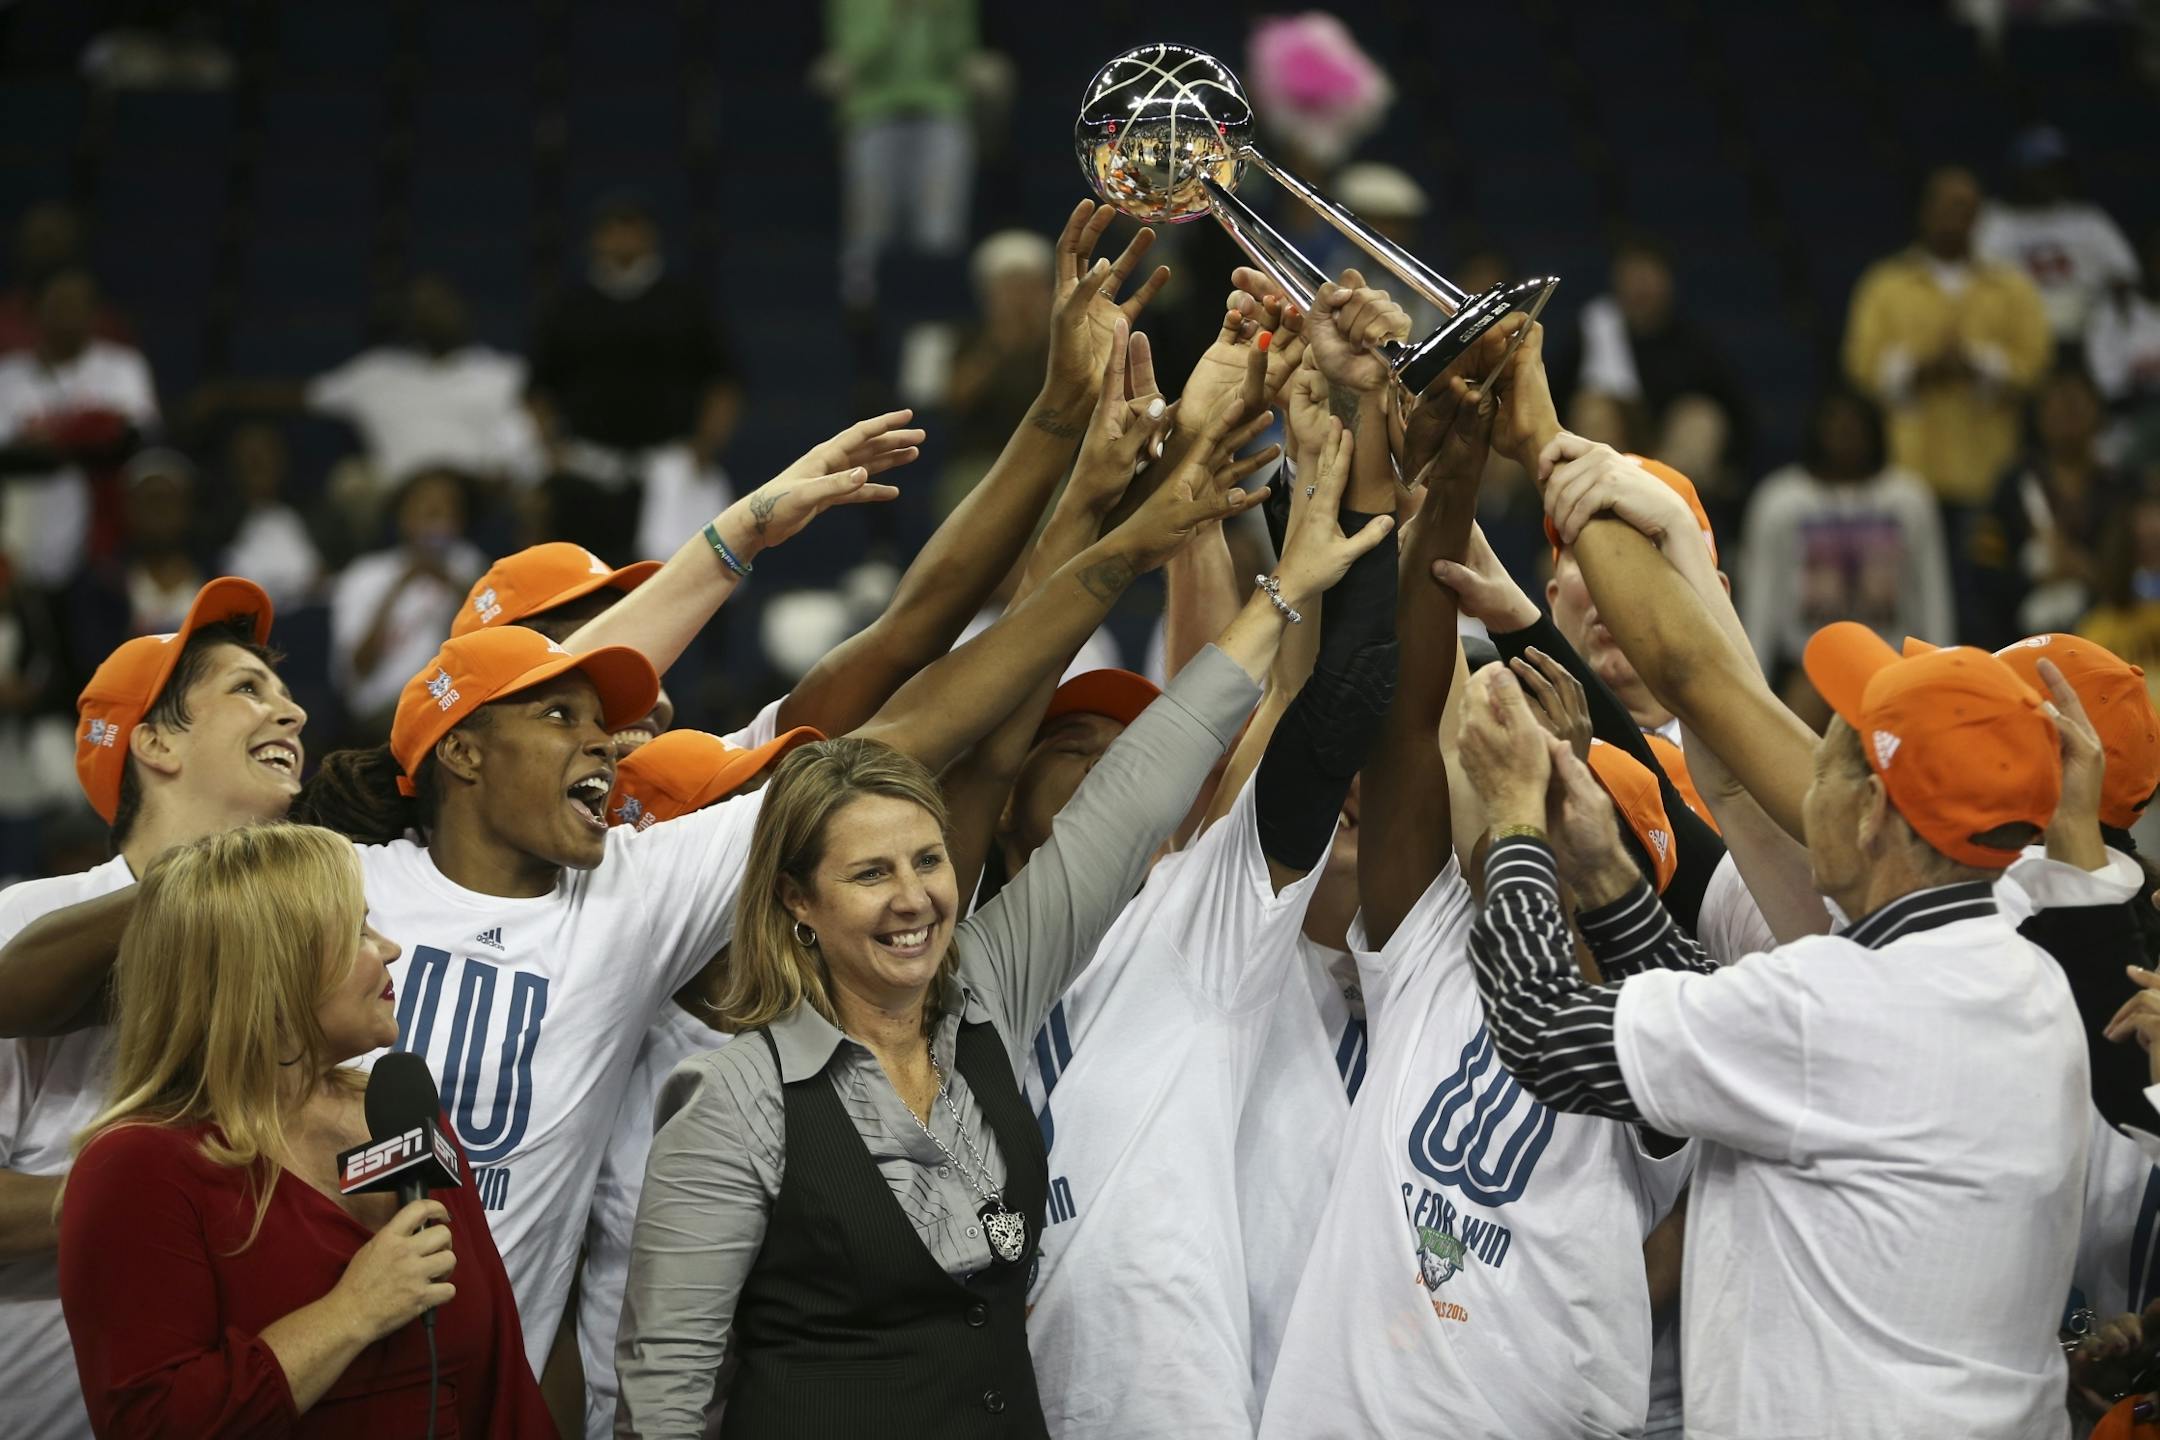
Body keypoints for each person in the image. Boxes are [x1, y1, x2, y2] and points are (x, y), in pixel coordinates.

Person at [612, 390, 1385, 1435]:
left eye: (929, 860)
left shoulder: (979, 998)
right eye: (871, 874)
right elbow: (666, 1388)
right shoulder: (732, 1097)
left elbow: (1140, 792)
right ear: (797, 901)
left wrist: (1283, 593)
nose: (916, 895)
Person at [57, 822, 550, 1436]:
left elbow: (498, 1374)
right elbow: (152, 1423)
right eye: (357, 931)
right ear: (270, 970)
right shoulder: (136, 1168)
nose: (391, 949)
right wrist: (350, 1314)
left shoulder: (400, 1109)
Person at [0, 576, 301, 1438]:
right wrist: (156, 1205)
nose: (293, 714)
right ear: (156, 746)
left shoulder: (316, 938)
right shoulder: (28, 925)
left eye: (283, 691)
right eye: (248, 689)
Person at [524, 196, 741, 560]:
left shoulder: (685, 303)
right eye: (613, 230)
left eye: (631, 229)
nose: (623, 239)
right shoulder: (567, 307)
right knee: (582, 579)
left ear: (649, 236)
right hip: (587, 467)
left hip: (671, 467)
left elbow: (724, 381)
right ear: (596, 238)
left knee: (685, 575)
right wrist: (554, 452)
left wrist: (705, 447)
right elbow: (538, 388)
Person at [188, 274, 541, 495]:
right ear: (409, 320)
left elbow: (536, 431)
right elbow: (297, 396)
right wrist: (222, 395)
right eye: (421, 307)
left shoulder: (503, 372)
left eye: (440, 304)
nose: (433, 313)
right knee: (351, 481)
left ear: (462, 310)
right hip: (397, 497)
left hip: (479, 493)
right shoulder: (378, 374)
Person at [1843, 165, 2051, 514]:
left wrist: (1978, 364)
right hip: (1907, 470)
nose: (1957, 217)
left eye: (1967, 208)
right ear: (1925, 211)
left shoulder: (2013, 288)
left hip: (1989, 469)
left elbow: (2037, 365)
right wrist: (1920, 368)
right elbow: (1859, 367)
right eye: (1948, 206)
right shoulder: (1884, 285)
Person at [1738, 385, 1952, 714]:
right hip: (1807, 665)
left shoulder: (1908, 498)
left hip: (1890, 661)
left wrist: (1940, 672)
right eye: (1834, 425)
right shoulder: (1780, 500)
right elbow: (1761, 598)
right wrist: (1755, 688)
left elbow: (1932, 591)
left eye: (1855, 426)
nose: (1844, 435)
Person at [1557, 233, 1750, 495]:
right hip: (1608, 459)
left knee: (1700, 417)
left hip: (1668, 470)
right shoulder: (1592, 334)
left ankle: (1660, 508)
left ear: (1668, 281)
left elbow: (1734, 411)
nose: (1641, 285)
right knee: (1592, 408)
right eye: (1632, 275)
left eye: (1649, 274)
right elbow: (1554, 398)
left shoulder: (1694, 344)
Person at [0, 268, 157, 588]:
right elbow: (7, 458)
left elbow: (130, 444)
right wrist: (86, 435)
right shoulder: (9, 376)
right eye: (59, 303)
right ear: (36, 311)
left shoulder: (121, 366)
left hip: (103, 536)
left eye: (79, 304)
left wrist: (54, 440)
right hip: (25, 531)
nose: (69, 314)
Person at [822, 0, 982, 308]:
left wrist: (936, 16)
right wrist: (896, 12)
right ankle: (861, 310)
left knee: (939, 229)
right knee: (869, 226)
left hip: (942, 110)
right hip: (872, 111)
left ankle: (934, 310)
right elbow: (857, 56)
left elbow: (958, 54)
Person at [1971, 364, 2137, 649]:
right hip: (2022, 635)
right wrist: (2032, 576)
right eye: (2057, 404)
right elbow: (1984, 570)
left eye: (2075, 404)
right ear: (2039, 414)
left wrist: (2087, 570)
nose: (2066, 415)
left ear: (2097, 411)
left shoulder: (2119, 488)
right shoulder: (2012, 486)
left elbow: (2139, 573)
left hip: (2105, 639)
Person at [328, 466, 484, 735]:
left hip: (455, 704)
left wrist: (450, 583)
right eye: (427, 508)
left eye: (447, 509)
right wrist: (400, 586)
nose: (436, 517)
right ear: (403, 516)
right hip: (386, 712)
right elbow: (358, 667)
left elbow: (486, 642)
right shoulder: (365, 574)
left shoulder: (467, 565)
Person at [1975, 125, 2141, 342]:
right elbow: (1976, 286)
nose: (2052, 177)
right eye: (2043, 170)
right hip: (2016, 336)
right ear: (2019, 172)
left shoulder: (2087, 219)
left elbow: (2124, 275)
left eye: (2058, 169)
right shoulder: (1993, 221)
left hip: (2085, 336)